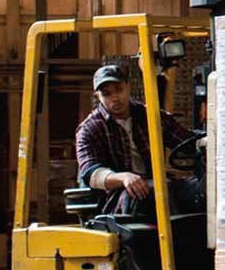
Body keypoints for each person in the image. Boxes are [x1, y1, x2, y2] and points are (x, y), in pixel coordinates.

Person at [74, 62, 196, 220]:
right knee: (149, 191)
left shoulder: (150, 116)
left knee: (199, 190)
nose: (115, 98)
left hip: (161, 185)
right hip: (119, 197)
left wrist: (209, 141)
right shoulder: (89, 129)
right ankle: (173, 241)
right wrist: (124, 177)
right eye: (107, 94)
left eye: (118, 90)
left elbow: (186, 141)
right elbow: (92, 174)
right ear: (98, 96)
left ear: (128, 87)